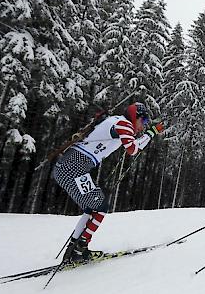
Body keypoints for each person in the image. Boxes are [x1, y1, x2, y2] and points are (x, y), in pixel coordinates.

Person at [52, 102, 163, 262]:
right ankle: (79, 250)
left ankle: (74, 249)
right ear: (135, 117)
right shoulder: (124, 124)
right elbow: (132, 149)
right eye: (143, 122)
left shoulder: (115, 120)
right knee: (101, 207)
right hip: (73, 167)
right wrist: (152, 132)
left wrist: (150, 132)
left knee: (93, 206)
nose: (142, 126)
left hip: (69, 166)